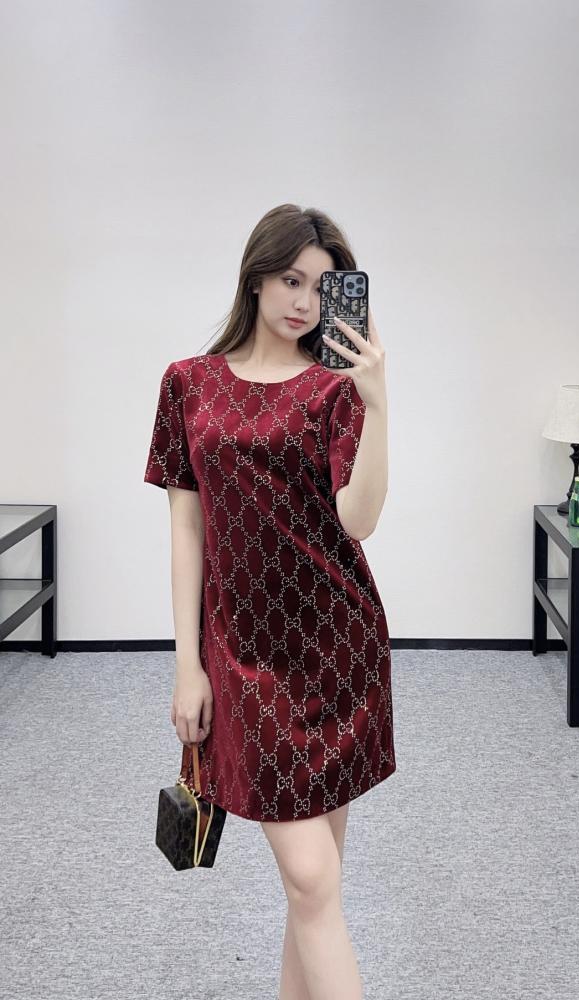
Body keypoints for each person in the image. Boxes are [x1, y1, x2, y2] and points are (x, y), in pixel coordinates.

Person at [144, 203, 396, 1000]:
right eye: (291, 279)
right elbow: (187, 528)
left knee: (313, 888)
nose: (304, 302)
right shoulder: (188, 383)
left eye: (323, 288)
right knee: (313, 881)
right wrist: (188, 665)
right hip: (245, 657)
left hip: (338, 648)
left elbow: (360, 520)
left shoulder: (333, 391)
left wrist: (378, 403)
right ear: (256, 277)